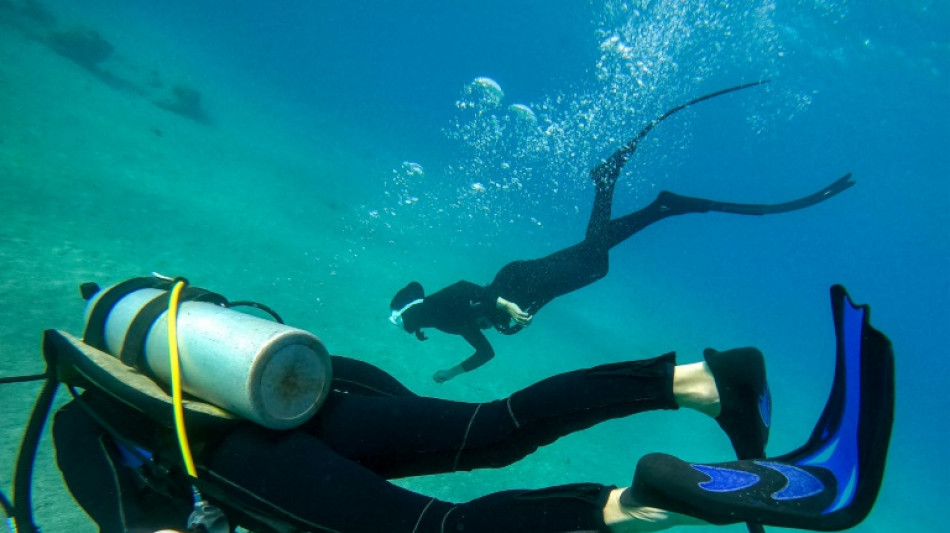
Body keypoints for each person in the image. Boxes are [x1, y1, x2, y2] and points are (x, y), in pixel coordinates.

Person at [47, 285, 892, 533]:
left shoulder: (80, 421)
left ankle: (636, 504)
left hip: (242, 452)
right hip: (312, 394)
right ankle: (704, 377)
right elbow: (362, 372)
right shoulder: (212, 342)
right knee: (489, 430)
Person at [389, 82, 856, 383]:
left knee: (596, 263)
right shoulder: (435, 323)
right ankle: (662, 207)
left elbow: (466, 290)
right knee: (598, 250)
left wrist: (506, 306)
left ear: (411, 313)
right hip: (527, 285)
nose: (409, 328)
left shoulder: (433, 311)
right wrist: (450, 371)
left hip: (518, 283)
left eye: (405, 322)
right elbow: (485, 351)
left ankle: (607, 179)